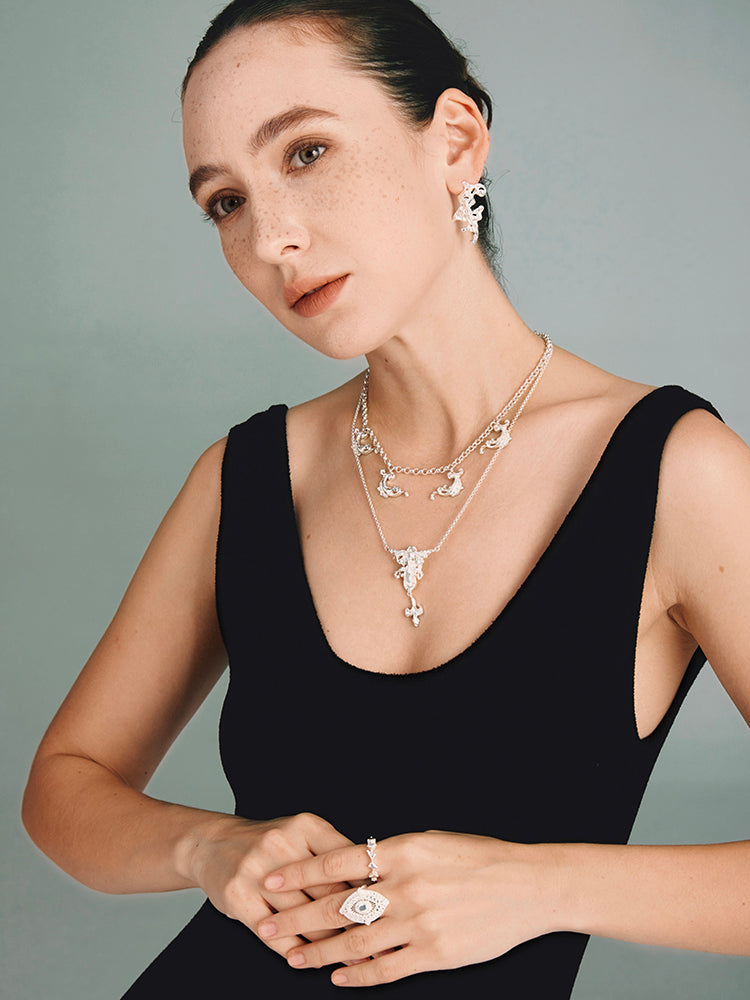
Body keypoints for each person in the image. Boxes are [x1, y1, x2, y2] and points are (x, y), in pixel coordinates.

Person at [21, 1, 750, 996]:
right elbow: (63, 789)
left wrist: (542, 885)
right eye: (224, 201)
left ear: (454, 141)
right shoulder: (244, 477)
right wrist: (210, 851)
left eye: (308, 151)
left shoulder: (677, 473)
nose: (272, 234)